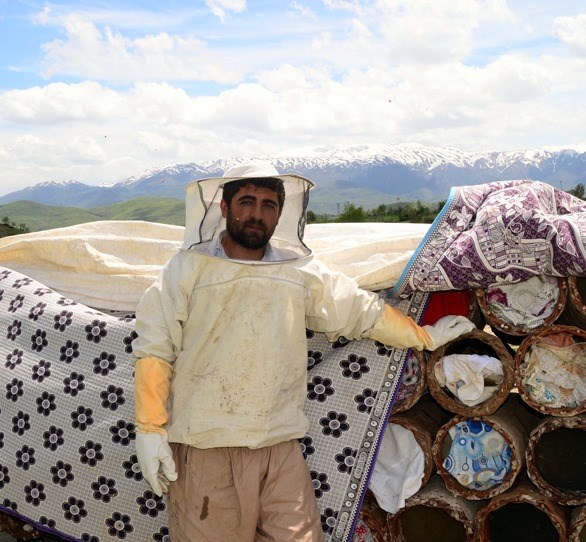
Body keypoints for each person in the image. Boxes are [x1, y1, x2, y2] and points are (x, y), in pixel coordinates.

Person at [132, 161, 474, 541]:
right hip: (206, 446)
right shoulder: (187, 269)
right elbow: (154, 349)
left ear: (281, 213)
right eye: (246, 201)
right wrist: (149, 428)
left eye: (268, 205)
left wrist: (421, 336)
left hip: (279, 446)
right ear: (224, 207)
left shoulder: (296, 269)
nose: (257, 214)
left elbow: (358, 310)